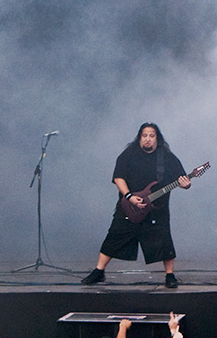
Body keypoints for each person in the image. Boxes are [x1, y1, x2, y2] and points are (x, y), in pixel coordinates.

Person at [81, 123, 192, 288]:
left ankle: (170, 275)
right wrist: (129, 196)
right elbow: (118, 178)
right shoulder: (129, 154)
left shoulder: (166, 157)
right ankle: (99, 271)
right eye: (144, 135)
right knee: (115, 236)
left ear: (157, 138)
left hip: (157, 209)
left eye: (151, 136)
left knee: (164, 241)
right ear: (140, 137)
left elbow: (183, 180)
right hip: (129, 206)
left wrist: (186, 184)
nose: (147, 139)